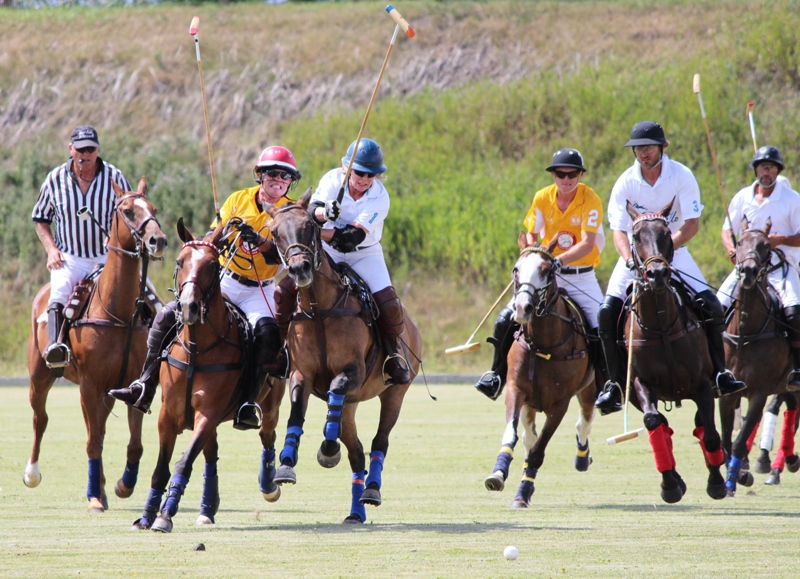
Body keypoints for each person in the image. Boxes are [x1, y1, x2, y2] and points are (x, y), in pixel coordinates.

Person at [109, 146, 301, 430]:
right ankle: (145, 385)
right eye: (272, 172)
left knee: (267, 335)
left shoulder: (289, 210)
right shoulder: (238, 199)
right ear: (260, 175)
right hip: (224, 281)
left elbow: (281, 255)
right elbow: (214, 235)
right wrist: (212, 240)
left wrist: (259, 242)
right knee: (166, 316)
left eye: (285, 176)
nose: (278, 179)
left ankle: (248, 402)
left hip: (258, 289)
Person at [594, 120, 746, 415]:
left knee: (711, 305)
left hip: (673, 250)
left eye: (648, 148)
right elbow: (618, 232)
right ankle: (613, 385)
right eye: (638, 149)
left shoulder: (681, 176)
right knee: (606, 311)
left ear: (662, 147)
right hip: (635, 256)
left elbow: (691, 224)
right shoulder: (626, 182)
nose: (643, 154)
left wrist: (663, 252)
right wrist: (630, 260)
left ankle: (719, 373)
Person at [273, 138, 411, 386]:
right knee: (283, 292)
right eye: (359, 172)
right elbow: (312, 209)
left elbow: (351, 238)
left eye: (371, 174)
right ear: (348, 169)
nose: (364, 179)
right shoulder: (332, 180)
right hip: (326, 252)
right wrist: (324, 213)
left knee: (389, 304)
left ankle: (393, 355)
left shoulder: (380, 197)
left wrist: (317, 229)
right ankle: (280, 350)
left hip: (364, 253)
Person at [475, 148, 607, 400]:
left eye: (572, 174)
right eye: (560, 174)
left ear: (580, 175)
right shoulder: (542, 198)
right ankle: (496, 376)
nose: (566, 179)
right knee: (506, 318)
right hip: (546, 275)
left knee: (601, 324)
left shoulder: (590, 199)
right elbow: (533, 234)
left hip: (581, 274)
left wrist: (557, 261)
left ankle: (607, 385)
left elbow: (588, 243)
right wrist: (532, 255)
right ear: (553, 175)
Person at [32, 125, 132, 371]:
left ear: (98, 150)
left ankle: (154, 348)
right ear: (71, 149)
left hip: (106, 257)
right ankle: (55, 346)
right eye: (80, 149)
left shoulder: (115, 176)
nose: (85, 154)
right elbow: (40, 218)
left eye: (90, 149)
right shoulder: (55, 179)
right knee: (58, 294)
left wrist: (114, 236)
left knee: (146, 294)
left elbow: (129, 212)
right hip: (70, 257)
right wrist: (51, 250)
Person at [716, 145, 800, 392]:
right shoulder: (742, 197)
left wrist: (779, 239)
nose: (767, 171)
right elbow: (726, 229)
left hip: (780, 266)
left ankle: (796, 368)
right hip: (747, 268)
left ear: (777, 171)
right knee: (715, 307)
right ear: (756, 169)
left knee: (793, 311)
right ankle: (716, 368)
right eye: (763, 166)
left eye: (771, 167)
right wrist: (732, 250)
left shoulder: (792, 199)